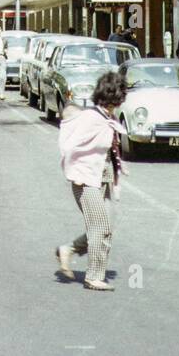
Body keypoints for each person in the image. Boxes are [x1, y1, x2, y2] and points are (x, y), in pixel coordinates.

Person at [55, 71, 128, 292]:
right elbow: (70, 144)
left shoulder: (107, 117)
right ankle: (94, 276)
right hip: (85, 179)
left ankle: (68, 249)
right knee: (101, 227)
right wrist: (74, 169)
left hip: (102, 178)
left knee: (107, 227)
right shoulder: (92, 118)